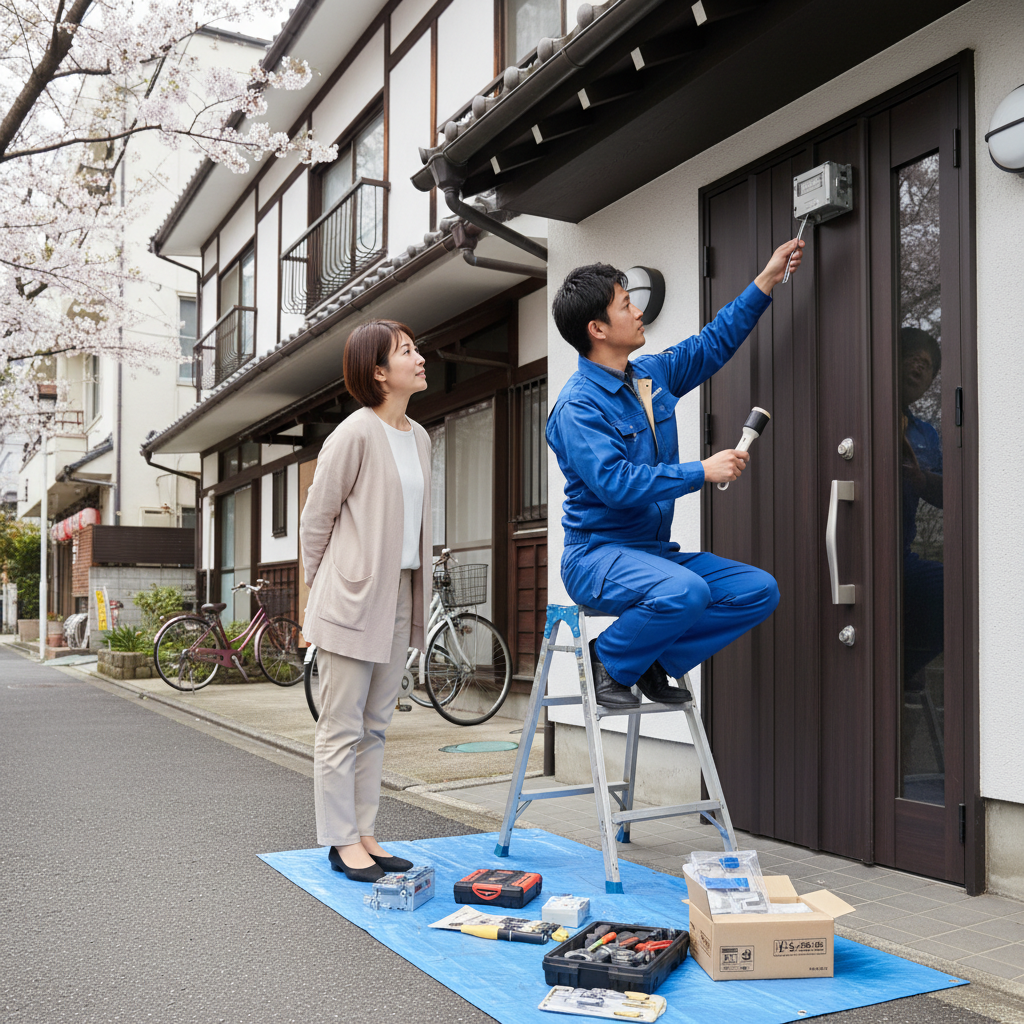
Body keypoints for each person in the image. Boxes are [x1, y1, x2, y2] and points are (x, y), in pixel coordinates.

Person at [546, 239, 804, 708]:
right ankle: (609, 657)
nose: (638, 311)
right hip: (596, 558)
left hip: (652, 556)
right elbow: (616, 484)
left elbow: (712, 344)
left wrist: (766, 279)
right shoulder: (577, 405)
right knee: (685, 590)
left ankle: (652, 662)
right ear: (597, 328)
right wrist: (700, 471)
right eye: (627, 305)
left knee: (756, 590)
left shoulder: (650, 375)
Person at [299, 320, 430, 882]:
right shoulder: (354, 432)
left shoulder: (419, 436)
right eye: (407, 351)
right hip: (350, 598)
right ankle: (339, 840)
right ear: (379, 371)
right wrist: (321, 595)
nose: (420, 357)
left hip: (398, 593)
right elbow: (316, 518)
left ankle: (365, 831)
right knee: (341, 724)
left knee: (377, 722)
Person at [899, 326, 944, 688]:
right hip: (845, 553)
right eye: (912, 356)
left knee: (952, 590)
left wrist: (921, 479)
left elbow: (951, 495)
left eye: (927, 365)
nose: (919, 366)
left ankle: (902, 667)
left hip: (900, 558)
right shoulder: (854, 412)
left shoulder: (926, 435)